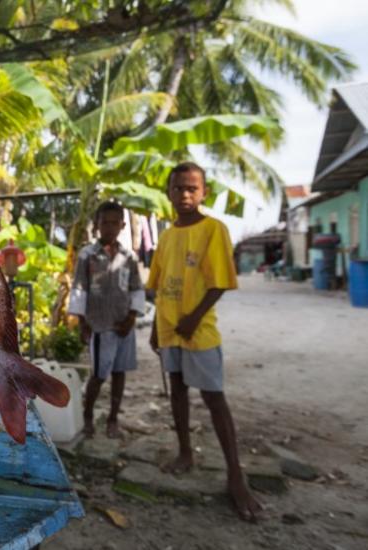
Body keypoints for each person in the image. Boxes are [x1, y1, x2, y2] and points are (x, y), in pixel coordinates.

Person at [147, 161, 262, 521]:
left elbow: (218, 283)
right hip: (169, 329)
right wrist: (156, 326)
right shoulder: (166, 237)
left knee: (214, 397)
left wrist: (192, 318)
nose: (184, 194)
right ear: (168, 192)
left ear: (203, 193)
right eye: (178, 187)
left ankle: (235, 474)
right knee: (178, 390)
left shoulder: (214, 228)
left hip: (200, 329)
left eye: (191, 188)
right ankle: (185, 452)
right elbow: (160, 286)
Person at [68, 201, 145, 439]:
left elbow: (136, 287)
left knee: (120, 373)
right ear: (97, 226)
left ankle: (113, 418)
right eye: (105, 223)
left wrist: (132, 317)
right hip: (101, 326)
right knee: (99, 375)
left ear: (122, 225)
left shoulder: (128, 256)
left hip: (124, 325)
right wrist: (82, 323)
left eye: (115, 223)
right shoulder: (87, 255)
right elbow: (80, 288)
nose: (109, 228)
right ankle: (88, 414)